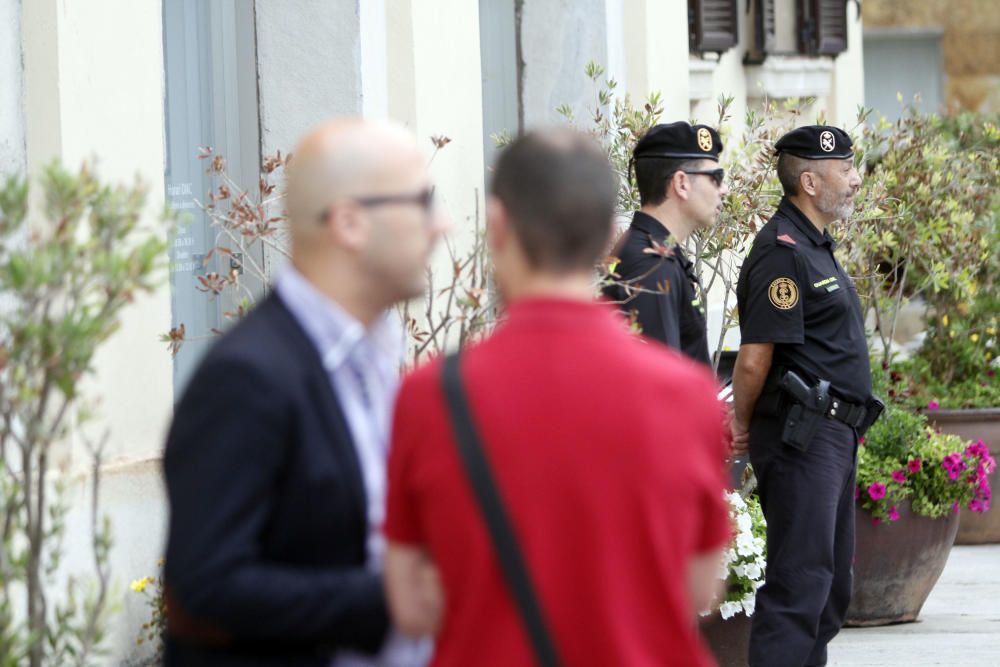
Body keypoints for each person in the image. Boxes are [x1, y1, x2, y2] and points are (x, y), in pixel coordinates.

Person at [382, 129, 731, 666]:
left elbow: (409, 600)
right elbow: (699, 587)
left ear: (498, 227)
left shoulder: (430, 396)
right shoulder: (688, 397)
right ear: (604, 240)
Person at [162, 119, 448, 666]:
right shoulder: (247, 378)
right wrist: (388, 599)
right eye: (421, 202)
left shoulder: (377, 357)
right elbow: (205, 587)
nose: (443, 225)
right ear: (350, 223)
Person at [730, 125, 880, 667]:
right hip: (803, 438)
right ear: (810, 181)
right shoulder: (781, 251)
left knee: (830, 589)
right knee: (800, 586)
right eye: (846, 169)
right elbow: (754, 357)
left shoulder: (816, 246)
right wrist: (741, 425)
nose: (856, 179)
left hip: (835, 435)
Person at [602, 121, 729, 366]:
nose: (724, 189)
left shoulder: (652, 254)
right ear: (681, 183)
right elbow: (659, 385)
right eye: (716, 177)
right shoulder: (652, 266)